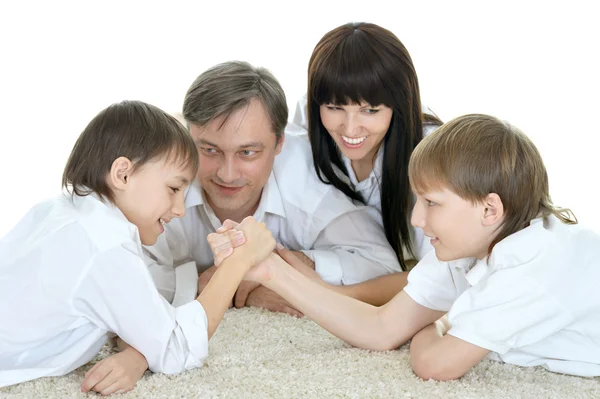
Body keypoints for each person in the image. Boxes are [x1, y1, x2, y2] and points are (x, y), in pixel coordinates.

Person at [212, 114, 600, 379]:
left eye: (432, 203)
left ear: (489, 208)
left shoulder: (529, 267)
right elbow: (381, 329)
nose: (416, 220)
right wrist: (272, 272)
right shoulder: (467, 246)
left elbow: (434, 364)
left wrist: (438, 323)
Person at [0, 100, 276, 395]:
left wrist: (138, 356)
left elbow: (139, 309)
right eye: (173, 189)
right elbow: (176, 348)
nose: (180, 209)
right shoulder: (105, 246)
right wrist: (238, 261)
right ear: (123, 174)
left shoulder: (60, 211)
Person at [143, 61, 401, 315]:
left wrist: (289, 267)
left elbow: (383, 265)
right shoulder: (155, 177)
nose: (227, 174)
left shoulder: (307, 181)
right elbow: (117, 271)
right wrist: (224, 280)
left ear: (279, 144)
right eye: (210, 150)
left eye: (247, 152)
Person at [286, 22, 443, 303]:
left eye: (369, 110)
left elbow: (441, 275)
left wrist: (333, 296)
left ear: (399, 103)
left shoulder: (428, 152)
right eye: (335, 108)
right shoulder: (305, 124)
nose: (350, 128)